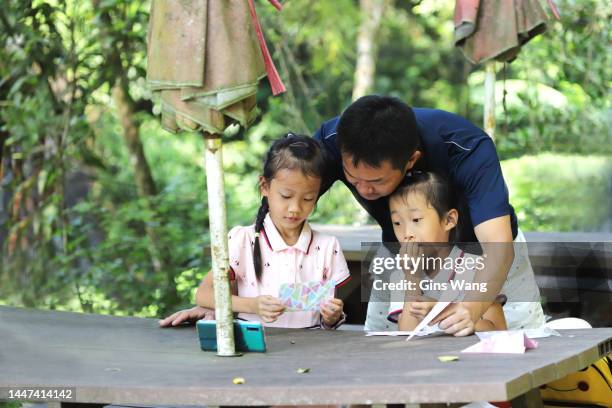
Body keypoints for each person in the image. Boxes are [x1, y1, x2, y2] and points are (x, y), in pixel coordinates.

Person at [315, 95, 544, 331]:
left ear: (411, 160)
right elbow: (282, 190)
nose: (362, 189)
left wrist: (470, 310)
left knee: (521, 343)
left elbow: (498, 246)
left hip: (483, 260)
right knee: (382, 341)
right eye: (352, 178)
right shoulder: (336, 138)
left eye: (376, 181)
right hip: (404, 259)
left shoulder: (467, 148)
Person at [168, 134, 351, 329]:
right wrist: (252, 305)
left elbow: (327, 316)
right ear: (265, 186)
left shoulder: (327, 246)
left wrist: (332, 317)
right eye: (286, 196)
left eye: (307, 199)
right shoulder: (242, 240)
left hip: (311, 351)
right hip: (255, 346)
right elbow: (204, 294)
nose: (295, 208)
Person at [383, 172, 506, 334]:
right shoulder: (401, 275)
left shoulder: (478, 269)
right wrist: (412, 278)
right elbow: (406, 331)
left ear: (449, 220)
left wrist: (446, 314)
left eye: (416, 220)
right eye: (397, 223)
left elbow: (498, 328)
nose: (406, 233)